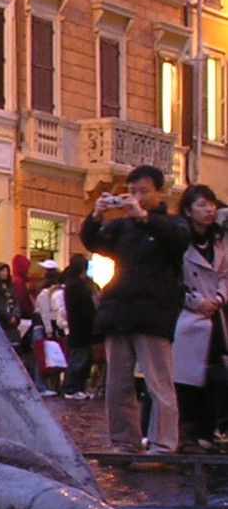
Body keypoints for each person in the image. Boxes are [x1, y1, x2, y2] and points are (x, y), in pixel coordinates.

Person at [80, 164, 191, 453]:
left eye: (143, 191)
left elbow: (179, 241)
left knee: (158, 383)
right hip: (118, 313)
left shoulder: (172, 224)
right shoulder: (121, 227)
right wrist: (96, 216)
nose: (137, 197)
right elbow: (93, 241)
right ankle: (124, 442)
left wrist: (145, 218)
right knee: (118, 385)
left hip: (154, 314)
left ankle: (163, 444)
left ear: (159, 192)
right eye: (132, 191)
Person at [175, 184, 228, 450]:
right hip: (188, 317)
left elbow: (224, 275)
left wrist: (219, 298)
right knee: (187, 378)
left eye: (211, 205)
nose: (209, 210)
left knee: (215, 375)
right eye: (202, 205)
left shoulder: (218, 241)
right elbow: (173, 280)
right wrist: (196, 302)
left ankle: (208, 431)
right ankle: (187, 434)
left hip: (215, 316)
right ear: (188, 210)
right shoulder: (179, 241)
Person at [63, 257, 100, 397]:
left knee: (80, 359)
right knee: (78, 360)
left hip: (79, 329)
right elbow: (84, 308)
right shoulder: (77, 286)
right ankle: (73, 388)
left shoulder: (73, 285)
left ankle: (77, 387)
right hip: (81, 329)